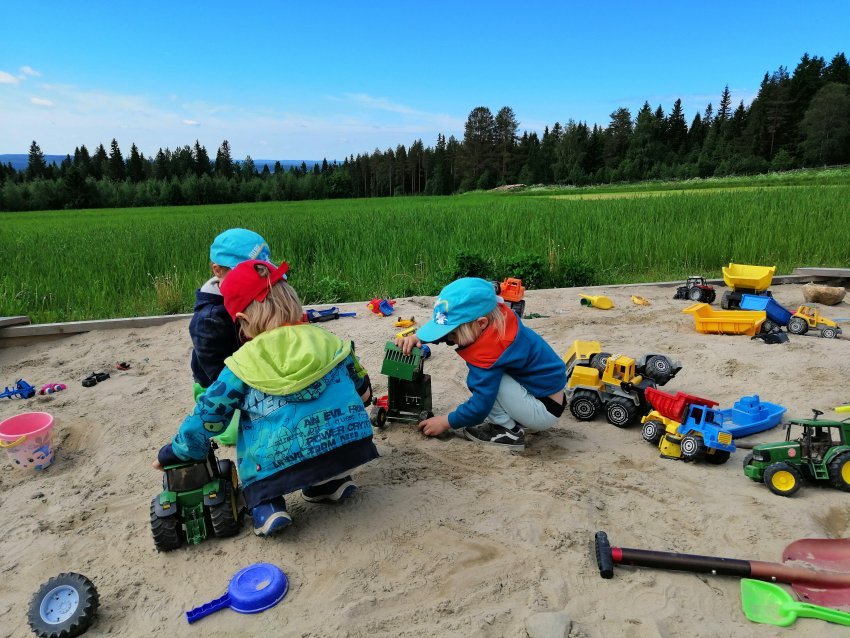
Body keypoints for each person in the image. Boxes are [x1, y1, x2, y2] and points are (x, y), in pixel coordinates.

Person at [156, 259, 377, 537]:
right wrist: (363, 391)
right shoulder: (325, 338)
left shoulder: (241, 363)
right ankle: (330, 482)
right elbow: (357, 375)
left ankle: (266, 504)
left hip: (279, 463)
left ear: (244, 321)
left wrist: (178, 450)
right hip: (351, 447)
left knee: (252, 438)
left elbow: (209, 413)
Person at [397, 277, 566, 451]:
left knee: (486, 383)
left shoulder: (491, 353)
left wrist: (446, 422)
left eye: (453, 334)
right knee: (490, 377)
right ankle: (517, 415)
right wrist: (420, 337)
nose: (450, 339)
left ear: (481, 323)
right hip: (547, 395)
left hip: (543, 410)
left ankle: (507, 430)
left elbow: (480, 406)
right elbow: (460, 329)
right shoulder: (498, 319)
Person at [189, 228, 273, 446]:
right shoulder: (209, 320)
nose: (254, 281)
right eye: (242, 274)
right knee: (240, 429)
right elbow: (218, 374)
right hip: (219, 383)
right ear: (217, 270)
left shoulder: (254, 293)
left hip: (253, 366)